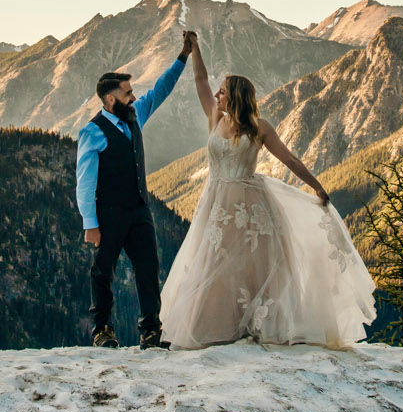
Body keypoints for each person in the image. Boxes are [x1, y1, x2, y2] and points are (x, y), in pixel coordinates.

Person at [158, 36, 375, 350]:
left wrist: (315, 186)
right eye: (217, 91)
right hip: (217, 204)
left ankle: (257, 327)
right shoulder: (214, 119)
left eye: (222, 91)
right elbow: (200, 79)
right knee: (213, 266)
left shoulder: (260, 127)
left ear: (234, 97)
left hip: (250, 206)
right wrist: (194, 49)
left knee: (251, 268)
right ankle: (217, 327)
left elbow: (289, 159)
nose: (216, 95)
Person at [75, 30, 195, 349]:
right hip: (109, 213)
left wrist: (183, 56)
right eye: (128, 93)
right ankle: (102, 330)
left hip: (139, 210)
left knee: (147, 267)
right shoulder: (92, 132)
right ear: (110, 99)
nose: (134, 97)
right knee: (103, 271)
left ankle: (151, 331)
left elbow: (160, 90)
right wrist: (91, 224)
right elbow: (84, 181)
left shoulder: (134, 117)